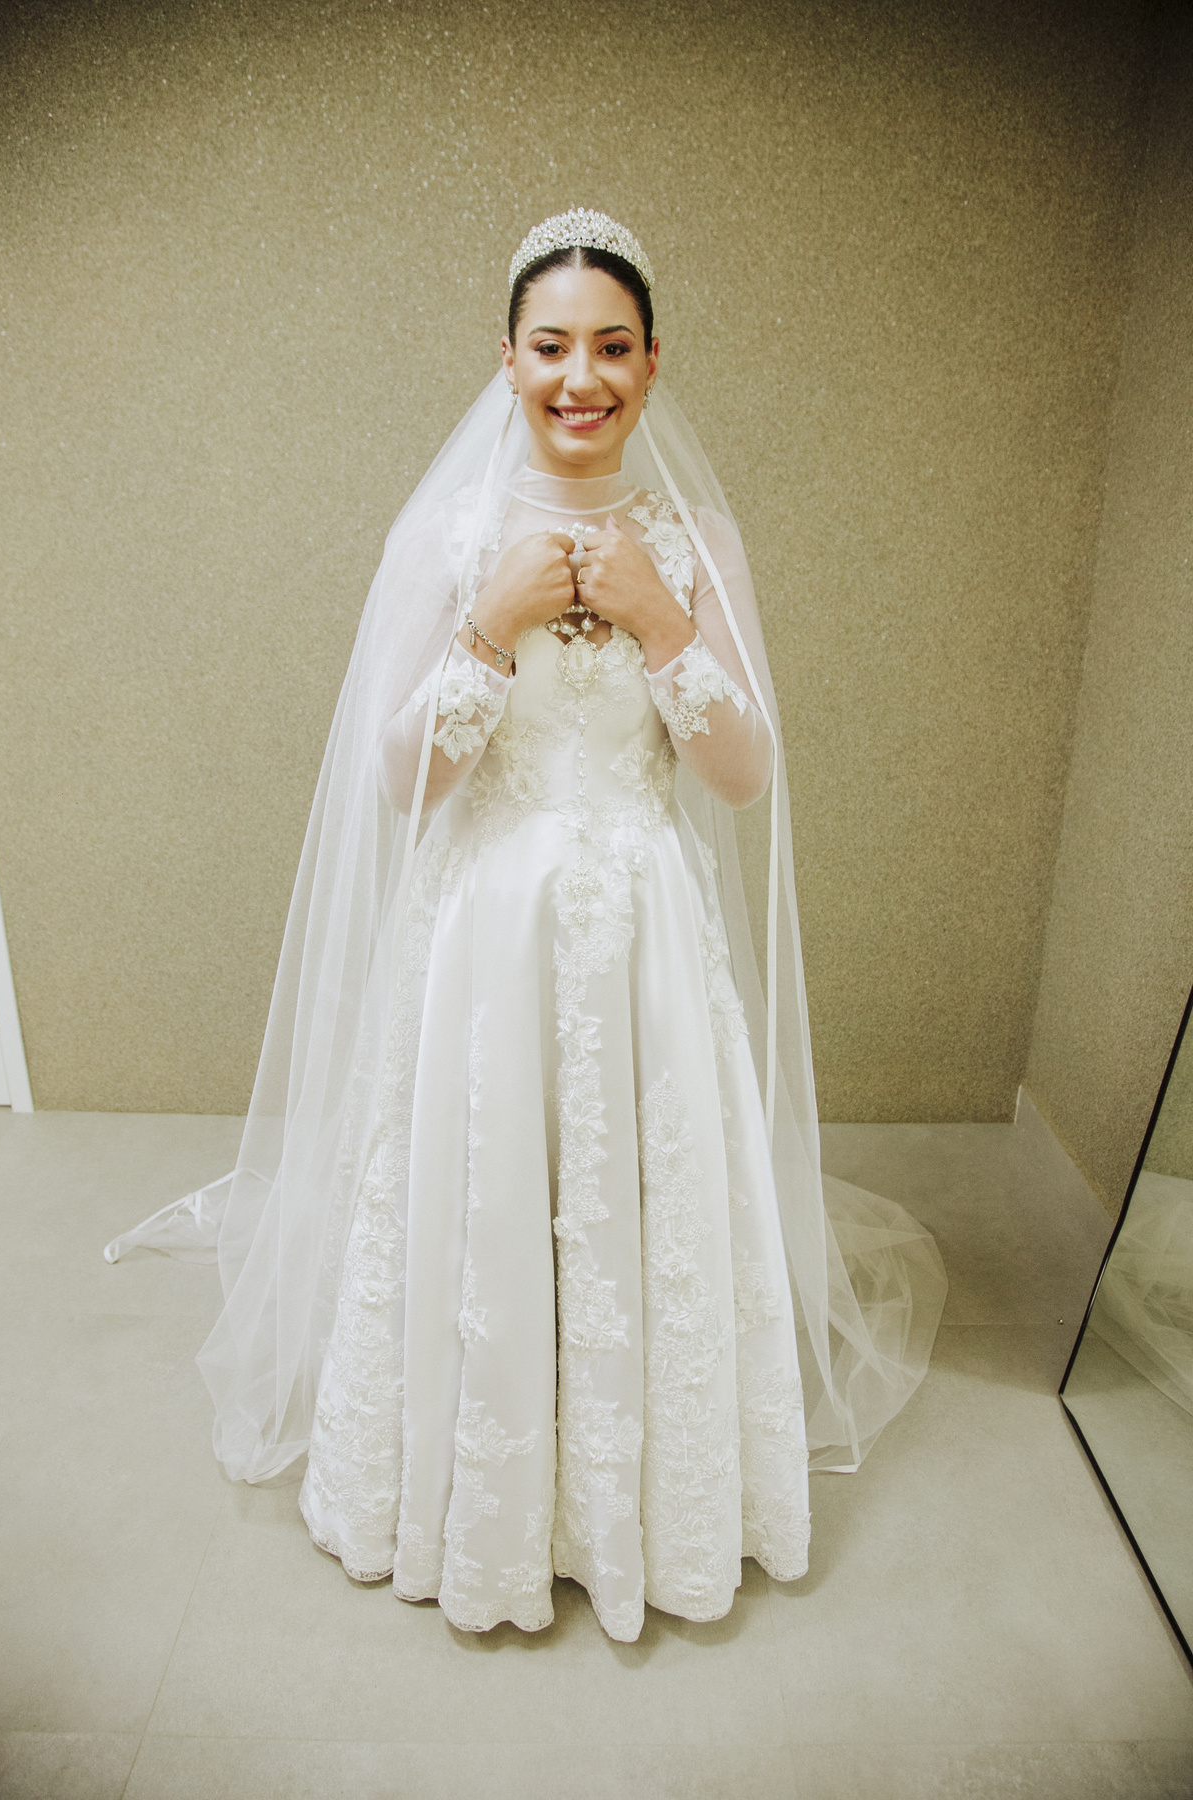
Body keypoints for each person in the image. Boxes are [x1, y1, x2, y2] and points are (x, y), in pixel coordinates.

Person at [106, 210, 946, 1644]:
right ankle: (477, 1498)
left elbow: (744, 776)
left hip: (646, 939)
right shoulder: (446, 538)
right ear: (507, 361)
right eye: (551, 346)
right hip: (484, 940)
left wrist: (663, 622)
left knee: (638, 1208)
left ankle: (645, 1500)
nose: (581, 376)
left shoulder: (696, 541)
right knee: (489, 1195)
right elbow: (401, 786)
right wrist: (487, 626)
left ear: (653, 364)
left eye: (612, 347)